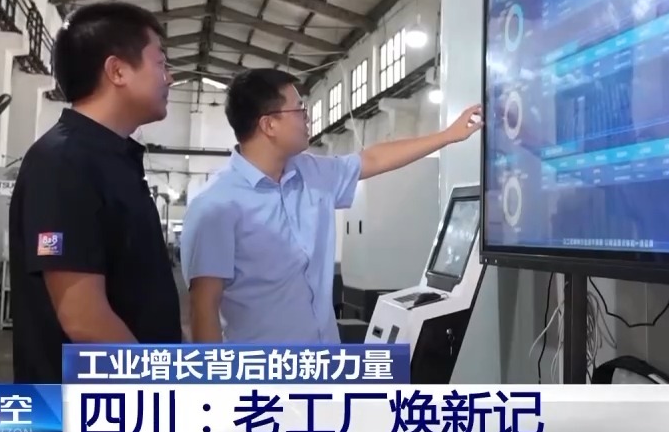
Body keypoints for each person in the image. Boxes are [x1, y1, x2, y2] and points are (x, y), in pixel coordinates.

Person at [182, 68, 483, 344]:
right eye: (299, 110)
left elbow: (373, 158)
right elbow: (203, 308)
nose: (307, 118)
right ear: (269, 124)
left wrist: (448, 136)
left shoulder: (313, 173)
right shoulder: (216, 206)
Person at [8, 2, 181, 383]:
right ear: (117, 71)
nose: (169, 78)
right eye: (160, 63)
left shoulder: (112, 159)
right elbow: (84, 319)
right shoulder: (64, 161)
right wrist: (157, 387)